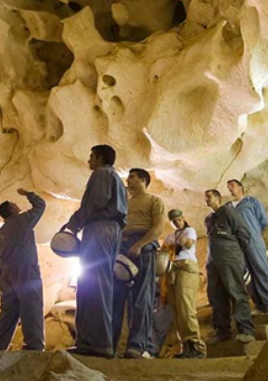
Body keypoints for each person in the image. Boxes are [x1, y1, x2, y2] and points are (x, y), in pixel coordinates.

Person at [62, 144, 128, 358]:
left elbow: (96, 202)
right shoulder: (116, 178)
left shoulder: (102, 173)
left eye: (91, 156)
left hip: (99, 227)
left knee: (94, 283)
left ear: (99, 158)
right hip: (110, 230)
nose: (89, 160)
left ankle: (98, 344)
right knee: (96, 283)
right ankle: (90, 342)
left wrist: (75, 223)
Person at [111, 168, 165, 359]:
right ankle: (111, 345)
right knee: (116, 296)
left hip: (143, 247)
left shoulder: (154, 200)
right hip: (123, 246)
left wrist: (140, 244)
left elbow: (158, 227)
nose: (128, 180)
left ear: (143, 180)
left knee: (142, 297)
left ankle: (137, 346)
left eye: (132, 177)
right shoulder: (125, 202)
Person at [0, 188, 47, 351]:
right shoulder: (22, 221)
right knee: (31, 307)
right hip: (25, 271)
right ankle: (34, 347)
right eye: (14, 204)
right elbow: (40, 205)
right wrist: (29, 194)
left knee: (8, 312)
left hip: (6, 274)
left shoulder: (0, 232)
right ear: (11, 209)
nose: (17, 205)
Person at [203, 189, 255, 344]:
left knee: (236, 292)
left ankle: (246, 330)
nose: (206, 200)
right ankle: (222, 332)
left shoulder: (229, 212)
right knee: (216, 296)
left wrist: (234, 253)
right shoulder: (209, 219)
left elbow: (244, 234)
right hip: (214, 262)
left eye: (209, 197)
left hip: (230, 258)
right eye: (205, 197)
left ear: (218, 198)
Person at [227, 179, 268, 314]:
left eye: (232, 186)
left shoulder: (251, 202)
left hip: (253, 240)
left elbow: (263, 221)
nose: (230, 189)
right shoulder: (228, 207)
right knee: (247, 276)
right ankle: (260, 306)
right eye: (228, 187)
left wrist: (253, 233)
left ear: (240, 187)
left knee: (261, 269)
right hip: (237, 245)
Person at [164, 209, 207, 358]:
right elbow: (165, 250)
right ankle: (186, 346)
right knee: (176, 310)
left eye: (179, 219)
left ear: (183, 218)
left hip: (186, 268)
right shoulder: (171, 235)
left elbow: (188, 244)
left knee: (186, 307)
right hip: (172, 270)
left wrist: (177, 239)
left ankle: (197, 346)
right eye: (174, 221)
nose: (177, 223)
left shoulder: (190, 231)